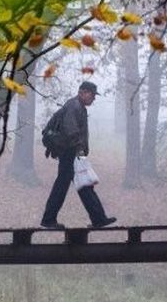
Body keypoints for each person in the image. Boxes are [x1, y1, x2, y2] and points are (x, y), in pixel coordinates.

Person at [40, 81, 117, 229]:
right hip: (70, 152)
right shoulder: (74, 106)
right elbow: (71, 131)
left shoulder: (78, 106)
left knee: (83, 185)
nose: (94, 98)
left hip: (72, 152)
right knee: (68, 186)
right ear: (82, 92)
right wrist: (80, 153)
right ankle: (49, 220)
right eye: (92, 95)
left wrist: (80, 153)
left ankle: (98, 218)